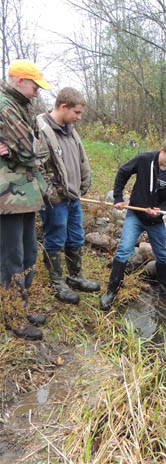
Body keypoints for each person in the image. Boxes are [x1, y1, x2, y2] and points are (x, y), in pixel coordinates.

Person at [100, 136, 166, 311]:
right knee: (124, 249)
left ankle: (165, 290)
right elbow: (123, 172)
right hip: (136, 215)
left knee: (161, 254)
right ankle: (111, 291)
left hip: (156, 220)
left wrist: (160, 209)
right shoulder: (144, 159)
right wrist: (117, 197)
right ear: (162, 150)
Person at [0, 59, 51, 340]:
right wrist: (28, 150)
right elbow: (33, 153)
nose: (37, 92)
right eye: (34, 86)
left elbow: (39, 149)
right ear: (19, 81)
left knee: (30, 253)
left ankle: (21, 306)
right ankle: (14, 317)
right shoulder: (5, 105)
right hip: (7, 198)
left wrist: (21, 149)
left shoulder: (23, 106)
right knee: (12, 259)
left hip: (27, 194)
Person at [38, 87, 100, 305]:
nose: (79, 117)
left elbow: (81, 158)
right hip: (56, 200)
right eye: (77, 112)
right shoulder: (42, 129)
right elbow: (38, 169)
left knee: (76, 237)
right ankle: (57, 282)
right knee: (55, 239)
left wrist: (84, 184)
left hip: (74, 197)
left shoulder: (70, 128)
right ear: (63, 107)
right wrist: (53, 195)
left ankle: (74, 276)